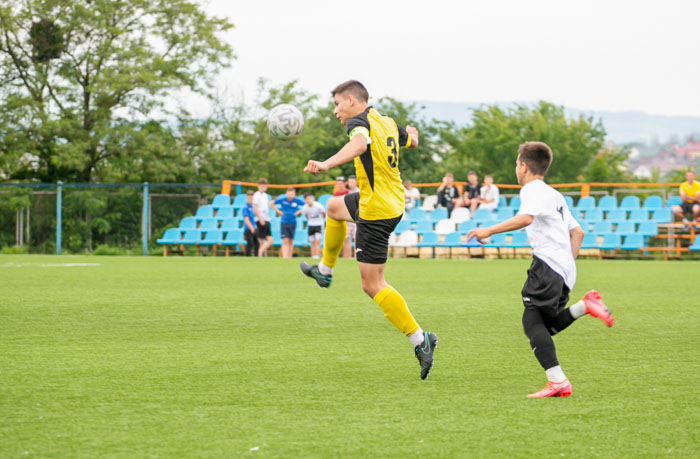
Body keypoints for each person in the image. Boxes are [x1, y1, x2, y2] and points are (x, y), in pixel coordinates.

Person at [299, 80, 437, 380]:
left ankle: (420, 339)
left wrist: (325, 164)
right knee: (333, 207)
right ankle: (324, 269)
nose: (335, 111)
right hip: (386, 201)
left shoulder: (359, 123)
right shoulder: (385, 121)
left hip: (376, 211)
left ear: (351, 100)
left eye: (337, 103)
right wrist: (413, 134)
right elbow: (410, 141)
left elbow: (359, 144)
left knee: (372, 284)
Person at [467, 141, 614, 398]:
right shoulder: (555, 195)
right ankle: (585, 306)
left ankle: (557, 381)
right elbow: (577, 232)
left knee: (531, 320)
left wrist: (488, 230)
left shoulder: (531, 190)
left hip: (548, 264)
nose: (516, 168)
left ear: (523, 166)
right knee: (545, 325)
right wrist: (566, 264)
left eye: (516, 164)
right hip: (565, 268)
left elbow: (526, 218)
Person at [271, 187, 304, 258]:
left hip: (293, 222)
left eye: (292, 194)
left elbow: (306, 205)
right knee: (285, 240)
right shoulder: (282, 200)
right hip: (284, 222)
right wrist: (278, 211)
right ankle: (285, 257)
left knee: (290, 240)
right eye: (289, 194)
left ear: (294, 194)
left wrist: (298, 212)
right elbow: (271, 203)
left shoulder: (297, 201)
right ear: (286, 193)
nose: (290, 195)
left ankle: (289, 257)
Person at [301, 193, 326, 259]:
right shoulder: (304, 208)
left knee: (317, 241)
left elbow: (324, 214)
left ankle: (317, 255)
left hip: (319, 224)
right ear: (305, 200)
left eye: (310, 198)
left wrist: (319, 220)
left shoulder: (318, 205)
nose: (309, 200)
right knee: (312, 241)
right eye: (307, 199)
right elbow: (306, 216)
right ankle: (313, 256)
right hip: (311, 225)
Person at [333, 176, 353, 258]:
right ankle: (344, 256)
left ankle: (348, 257)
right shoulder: (336, 194)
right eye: (338, 184)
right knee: (342, 238)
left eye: (341, 183)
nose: (339, 185)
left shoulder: (349, 193)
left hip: (348, 217)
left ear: (345, 184)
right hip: (340, 217)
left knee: (347, 238)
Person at [253, 178, 273, 257]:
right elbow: (255, 208)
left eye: (264, 186)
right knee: (262, 240)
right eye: (261, 186)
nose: (263, 188)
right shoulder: (256, 195)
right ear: (258, 186)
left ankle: (261, 254)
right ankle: (260, 253)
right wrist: (260, 219)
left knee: (268, 239)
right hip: (260, 219)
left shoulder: (266, 196)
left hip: (266, 219)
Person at [241, 190, 258, 256]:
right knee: (249, 243)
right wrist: (251, 228)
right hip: (248, 228)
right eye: (249, 198)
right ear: (246, 199)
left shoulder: (254, 207)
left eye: (252, 198)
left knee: (257, 243)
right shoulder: (245, 208)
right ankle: (247, 257)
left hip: (255, 227)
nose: (250, 200)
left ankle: (257, 257)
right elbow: (246, 219)